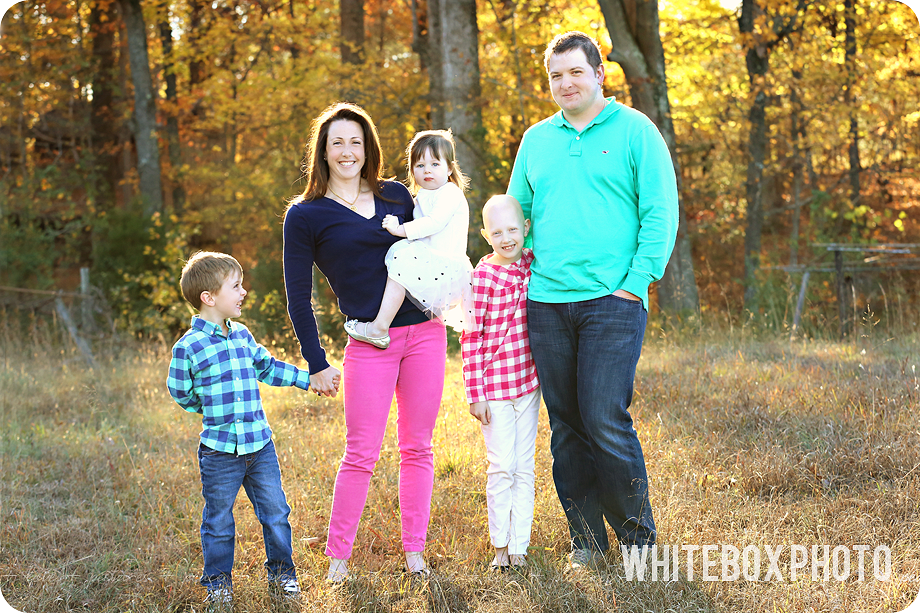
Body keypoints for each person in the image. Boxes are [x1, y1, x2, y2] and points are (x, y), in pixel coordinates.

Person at [506, 31, 678, 569]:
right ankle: (586, 540)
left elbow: (660, 210)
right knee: (566, 425)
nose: (565, 83)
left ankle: (638, 543)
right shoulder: (537, 139)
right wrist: (519, 262)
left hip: (613, 299)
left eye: (575, 72)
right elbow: (517, 216)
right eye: (556, 76)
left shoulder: (634, 131)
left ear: (599, 74)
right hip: (547, 302)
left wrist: (637, 281)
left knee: (605, 416)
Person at [283, 102, 446, 583]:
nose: (347, 151)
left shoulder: (398, 196)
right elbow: (299, 297)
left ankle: (415, 553)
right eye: (337, 142)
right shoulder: (306, 215)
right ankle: (338, 560)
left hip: (425, 335)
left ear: (368, 147)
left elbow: (439, 238)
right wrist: (316, 362)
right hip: (368, 345)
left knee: (418, 447)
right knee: (360, 453)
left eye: (356, 141)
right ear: (323, 151)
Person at [166, 251, 308, 608]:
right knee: (218, 521)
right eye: (236, 286)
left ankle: (282, 575)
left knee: (276, 513)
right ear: (209, 298)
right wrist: (209, 409)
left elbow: (268, 367)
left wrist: (307, 379)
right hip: (218, 452)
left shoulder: (242, 335)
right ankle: (217, 583)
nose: (243, 292)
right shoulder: (189, 347)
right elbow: (180, 391)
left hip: (259, 446)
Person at [460, 195, 541, 571]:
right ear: (485, 235)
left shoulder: (530, 263)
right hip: (494, 389)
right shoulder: (481, 277)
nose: (507, 238)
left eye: (513, 229)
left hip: (528, 385)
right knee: (501, 466)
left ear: (526, 228)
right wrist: (475, 394)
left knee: (525, 466)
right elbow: (470, 336)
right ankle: (499, 548)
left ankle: (519, 546)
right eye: (497, 232)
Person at [343, 129, 474, 348]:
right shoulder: (423, 195)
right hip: (433, 263)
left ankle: (379, 326)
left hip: (445, 265)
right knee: (399, 262)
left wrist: (400, 229)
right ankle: (390, 328)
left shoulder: (450, 192)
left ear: (449, 167)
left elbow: (434, 223)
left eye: (435, 164)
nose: (427, 170)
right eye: (420, 165)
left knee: (401, 255)